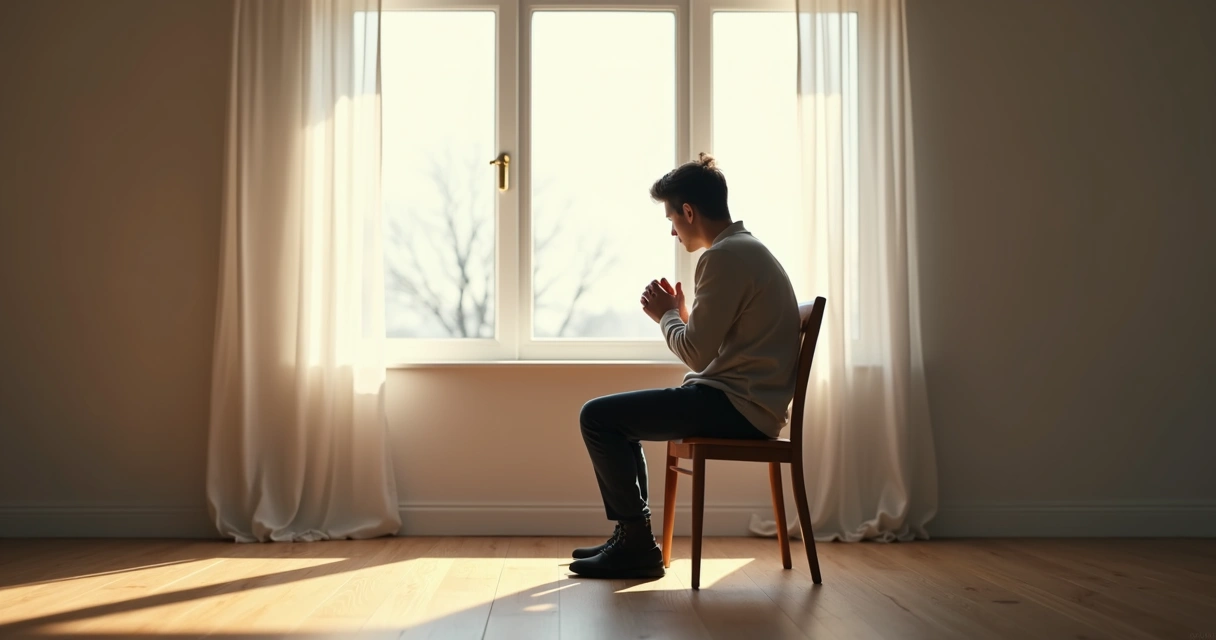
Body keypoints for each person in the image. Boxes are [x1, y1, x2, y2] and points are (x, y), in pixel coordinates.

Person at [569, 153, 801, 579]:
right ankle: (631, 536)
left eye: (672, 219)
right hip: (744, 403)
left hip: (733, 406)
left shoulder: (724, 257)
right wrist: (684, 316)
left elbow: (696, 355)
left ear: (689, 212)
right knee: (619, 422)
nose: (673, 231)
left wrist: (666, 316)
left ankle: (636, 542)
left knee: (597, 417)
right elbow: (722, 348)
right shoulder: (747, 251)